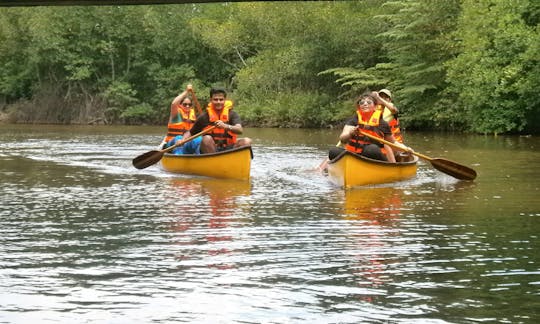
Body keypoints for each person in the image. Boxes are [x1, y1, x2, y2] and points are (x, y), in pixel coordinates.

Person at [328, 92, 409, 163]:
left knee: (371, 149)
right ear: (359, 106)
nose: (365, 104)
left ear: (375, 106)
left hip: (373, 156)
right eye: (362, 102)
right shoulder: (353, 121)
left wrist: (406, 149)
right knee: (333, 151)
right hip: (354, 154)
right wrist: (350, 133)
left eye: (369, 102)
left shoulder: (382, 124)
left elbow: (393, 143)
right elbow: (342, 138)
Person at [181, 87, 252, 154]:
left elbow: (239, 130)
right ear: (211, 100)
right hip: (211, 149)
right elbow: (191, 132)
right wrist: (182, 140)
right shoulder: (204, 117)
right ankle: (213, 162)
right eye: (215, 99)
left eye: (221, 99)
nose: (218, 102)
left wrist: (225, 126)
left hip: (229, 148)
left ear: (225, 100)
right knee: (206, 139)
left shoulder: (232, 115)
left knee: (247, 141)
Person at [161, 84, 198, 153]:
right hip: (171, 144)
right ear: (180, 105)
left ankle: (200, 158)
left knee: (199, 139)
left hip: (186, 144)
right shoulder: (176, 114)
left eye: (189, 104)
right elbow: (174, 104)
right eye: (185, 104)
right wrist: (186, 91)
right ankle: (178, 157)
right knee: (179, 138)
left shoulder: (193, 116)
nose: (187, 106)